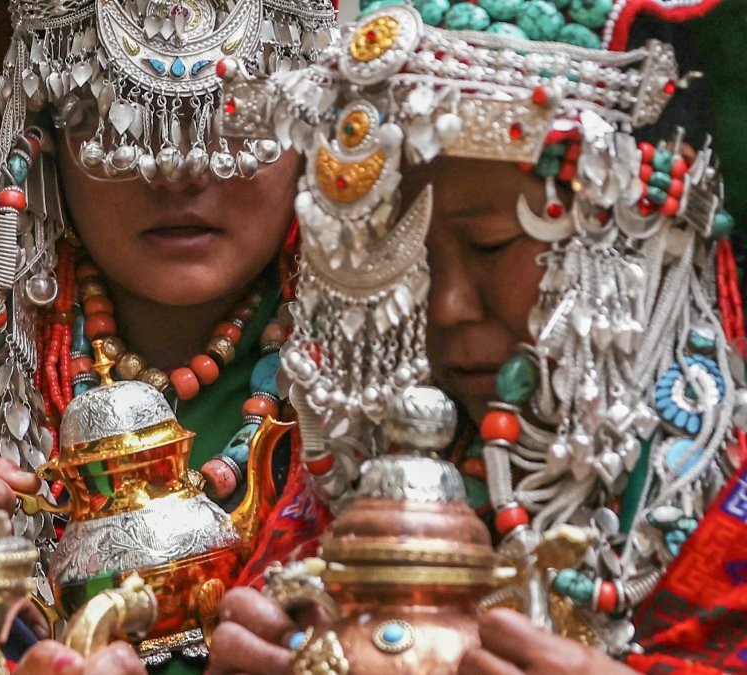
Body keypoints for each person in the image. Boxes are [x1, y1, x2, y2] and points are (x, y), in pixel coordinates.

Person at [206, 1, 747, 673]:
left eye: (490, 245)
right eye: (409, 259)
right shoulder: (358, 496)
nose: (448, 307)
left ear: (636, 245)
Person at [0, 0, 342, 669]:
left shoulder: (382, 373)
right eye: (121, 116)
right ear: (40, 132)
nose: (180, 169)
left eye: (232, 116)